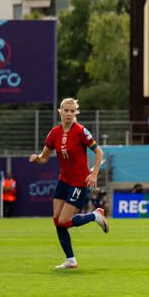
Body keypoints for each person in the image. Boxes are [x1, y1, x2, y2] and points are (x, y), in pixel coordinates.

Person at [30, 96, 108, 269]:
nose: (69, 113)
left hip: (78, 182)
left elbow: (99, 152)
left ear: (75, 113)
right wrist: (37, 159)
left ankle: (95, 215)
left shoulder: (80, 131)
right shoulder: (54, 133)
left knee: (64, 221)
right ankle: (70, 259)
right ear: (60, 111)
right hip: (63, 180)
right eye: (66, 110)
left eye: (72, 111)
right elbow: (44, 158)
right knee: (57, 219)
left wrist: (93, 174)